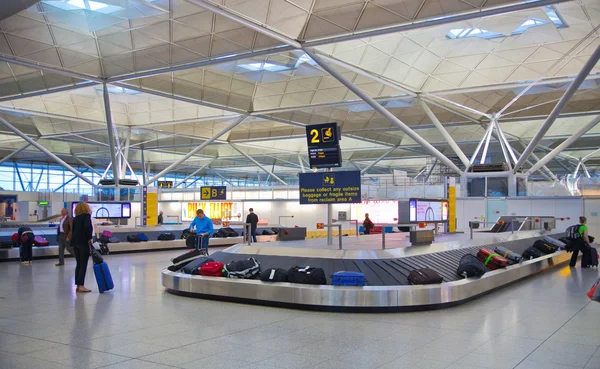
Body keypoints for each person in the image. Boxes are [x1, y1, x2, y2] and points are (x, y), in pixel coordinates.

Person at [71, 202, 94, 293]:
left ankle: (78, 284)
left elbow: (73, 230)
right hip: (83, 243)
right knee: (83, 264)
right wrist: (89, 238)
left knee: (79, 264)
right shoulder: (86, 216)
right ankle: (81, 286)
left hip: (75, 243)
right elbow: (87, 227)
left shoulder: (76, 218)